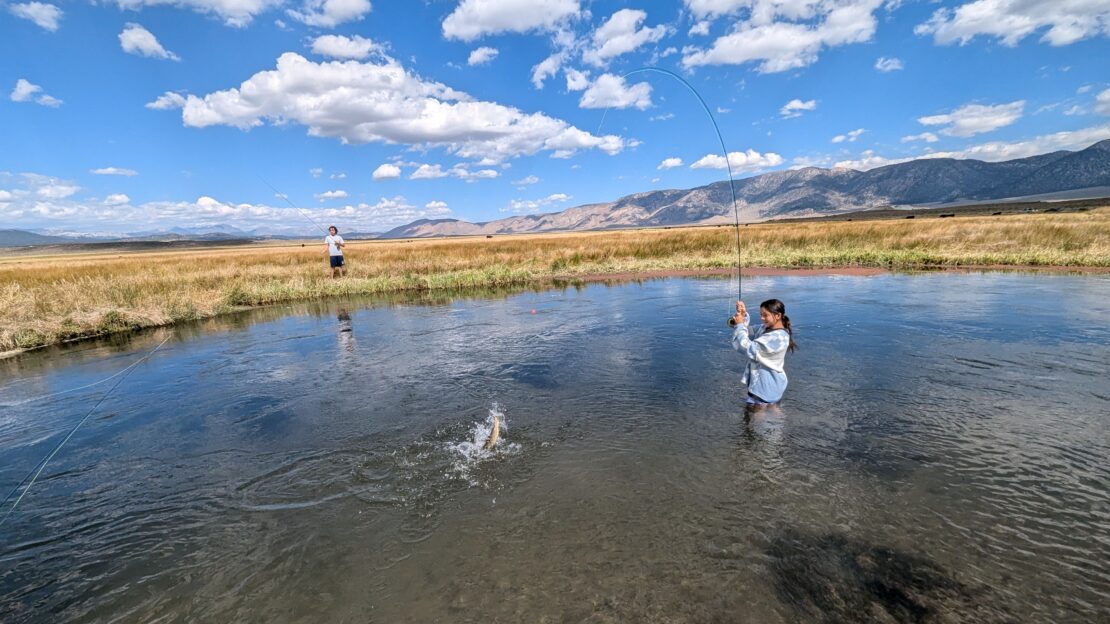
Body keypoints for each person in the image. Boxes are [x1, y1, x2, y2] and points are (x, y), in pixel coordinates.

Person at [730, 298, 796, 409]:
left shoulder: (778, 337)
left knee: (758, 422)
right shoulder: (766, 327)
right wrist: (742, 315)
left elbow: (746, 347)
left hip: (765, 387)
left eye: (765, 315)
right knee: (772, 413)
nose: (762, 318)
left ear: (777, 316)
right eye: (761, 314)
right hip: (766, 385)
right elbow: (748, 330)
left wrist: (740, 325)